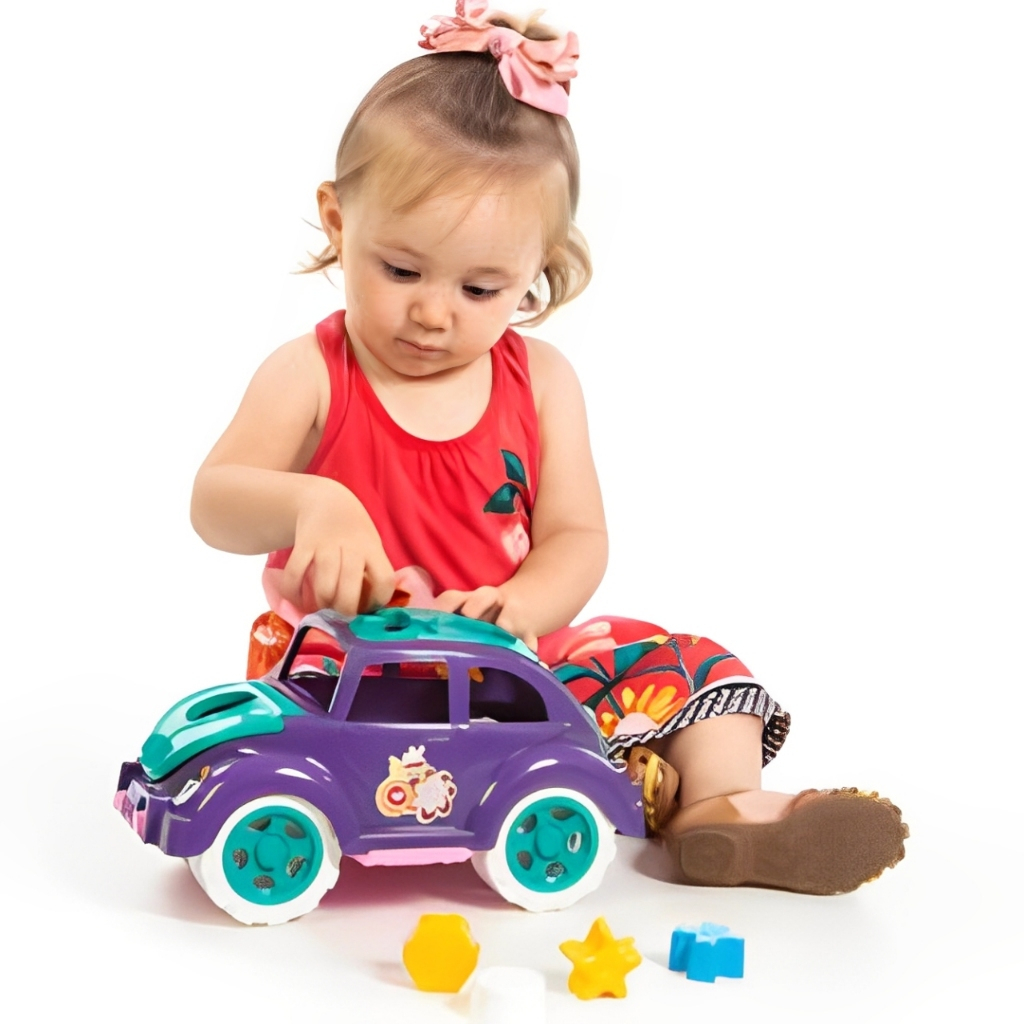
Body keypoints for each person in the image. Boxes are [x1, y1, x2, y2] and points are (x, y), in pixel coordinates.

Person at [190, 3, 907, 895]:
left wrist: (523, 606)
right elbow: (214, 501)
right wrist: (313, 502)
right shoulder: (313, 373)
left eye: (481, 287)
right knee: (363, 719)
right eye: (400, 269)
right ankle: (634, 779)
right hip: (350, 679)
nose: (433, 312)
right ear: (339, 222)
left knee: (690, 663)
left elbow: (576, 536)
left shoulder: (541, 382)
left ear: (538, 267)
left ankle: (720, 809)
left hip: (508, 666)